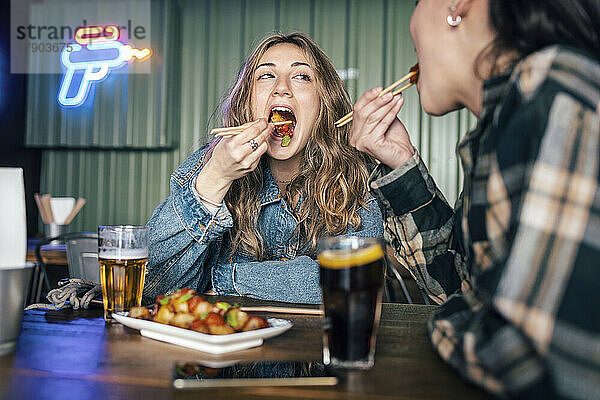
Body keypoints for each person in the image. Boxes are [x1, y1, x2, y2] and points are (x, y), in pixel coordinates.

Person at [350, 0, 599, 398]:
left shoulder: (555, 87)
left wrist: (449, 320)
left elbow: (533, 362)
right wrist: (400, 165)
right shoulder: (504, 123)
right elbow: (458, 287)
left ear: (456, 5)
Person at [143, 33, 383, 305]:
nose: (282, 88)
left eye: (302, 76)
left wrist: (224, 280)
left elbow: (353, 277)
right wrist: (216, 178)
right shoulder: (207, 166)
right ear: (248, 100)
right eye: (266, 75)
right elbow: (156, 284)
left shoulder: (354, 176)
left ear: (323, 102)